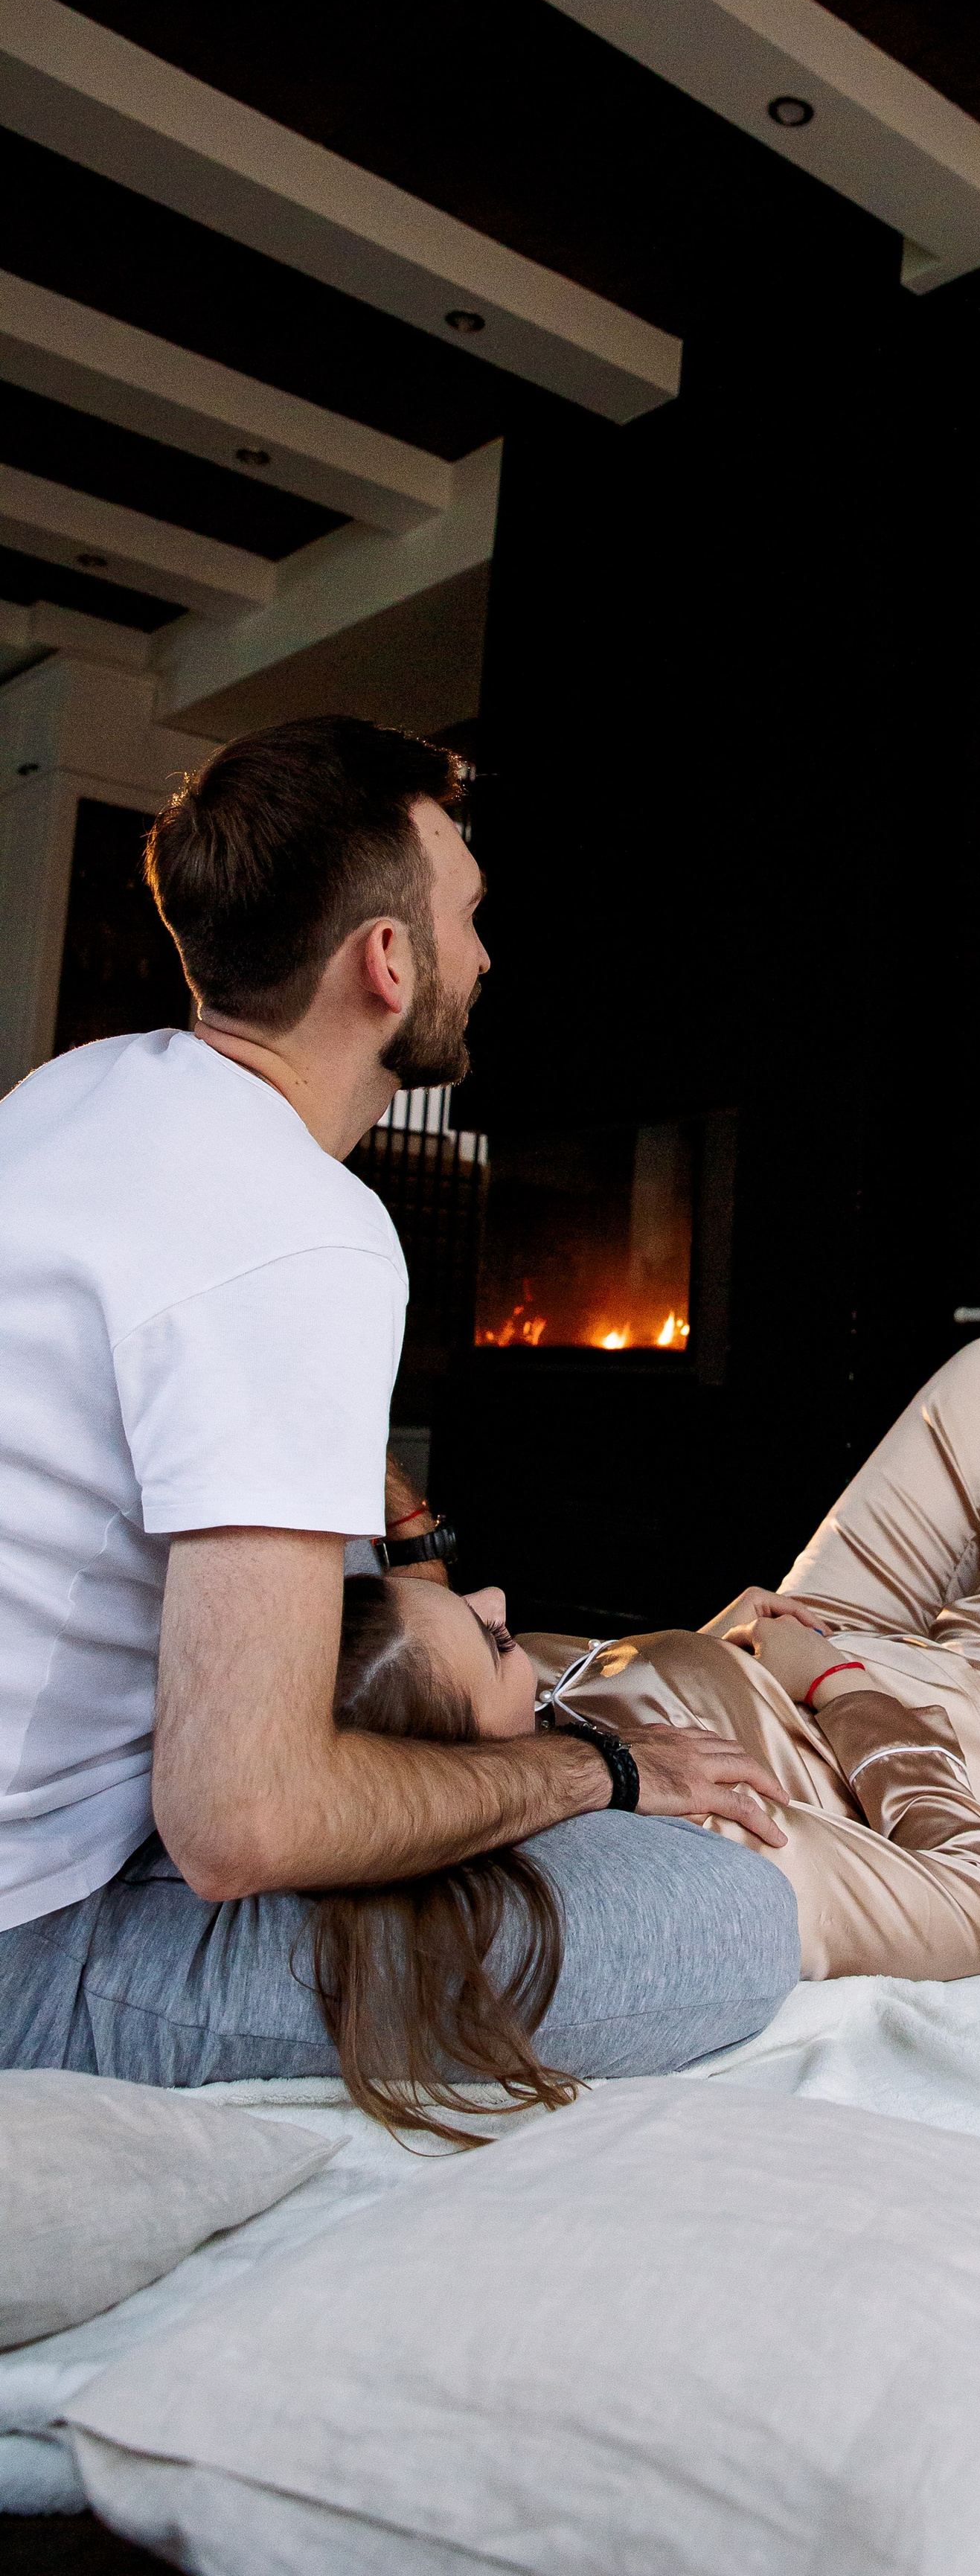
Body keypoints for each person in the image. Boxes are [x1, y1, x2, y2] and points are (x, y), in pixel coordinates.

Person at [0, 716, 801, 2087]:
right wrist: (597, 1776)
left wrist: (403, 1527)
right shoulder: (303, 1226)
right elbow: (243, 1821)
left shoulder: (70, 1099)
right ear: (387, 961)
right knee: (726, 1921)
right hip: (34, 1948)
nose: (484, 958)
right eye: (469, 916)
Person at [310, 1332, 980, 2135]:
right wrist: (844, 1687)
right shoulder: (686, 1842)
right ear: (471, 1756)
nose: (503, 1601)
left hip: (794, 1654)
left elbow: (433, 1644)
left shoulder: (468, 1733)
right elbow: (979, 1904)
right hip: (928, 1725)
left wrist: (411, 1522)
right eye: (498, 1642)